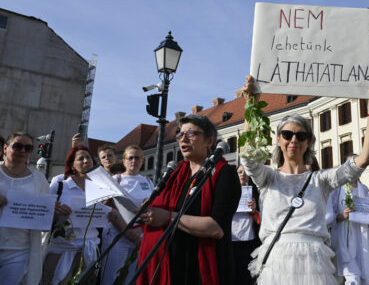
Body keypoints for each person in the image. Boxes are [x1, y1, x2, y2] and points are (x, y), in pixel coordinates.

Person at [239, 75, 369, 285]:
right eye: (287, 134)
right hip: (277, 261)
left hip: (314, 262)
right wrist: (251, 103)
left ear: (308, 142)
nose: (293, 140)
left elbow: (364, 160)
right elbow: (248, 156)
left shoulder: (321, 180)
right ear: (278, 140)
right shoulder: (268, 176)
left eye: (300, 135)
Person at [137, 114, 240, 285]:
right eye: (180, 134)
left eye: (191, 134)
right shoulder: (176, 175)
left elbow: (216, 228)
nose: (183, 138)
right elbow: (161, 210)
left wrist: (168, 217)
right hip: (171, 264)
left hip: (201, 267)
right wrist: (149, 212)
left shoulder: (224, 173)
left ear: (209, 141)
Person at [42, 145, 100, 285]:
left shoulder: (100, 187)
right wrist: (55, 210)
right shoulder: (60, 185)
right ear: (72, 165)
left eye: (89, 158)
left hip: (89, 251)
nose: (86, 161)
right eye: (81, 159)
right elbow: (44, 213)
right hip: (61, 249)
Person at [0, 132, 49, 285]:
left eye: (28, 148)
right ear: (5, 148)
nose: (23, 151)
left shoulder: (38, 178)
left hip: (19, 250)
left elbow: (45, 213)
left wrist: (54, 212)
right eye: (18, 146)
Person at [101, 145, 154, 285]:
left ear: (142, 161)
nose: (134, 161)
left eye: (137, 158)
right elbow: (107, 210)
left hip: (140, 236)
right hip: (117, 235)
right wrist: (130, 234)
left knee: (131, 278)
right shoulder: (115, 180)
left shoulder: (148, 182)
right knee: (111, 278)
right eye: (130, 158)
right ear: (124, 161)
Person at [326, 158, 369, 285]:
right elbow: (331, 215)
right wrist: (342, 216)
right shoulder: (338, 189)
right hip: (345, 238)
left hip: (362, 238)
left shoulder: (364, 189)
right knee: (353, 278)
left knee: (363, 277)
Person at [231, 164, 261, 285]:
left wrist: (254, 211)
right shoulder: (228, 192)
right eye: (239, 172)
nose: (243, 174)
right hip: (231, 240)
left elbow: (261, 220)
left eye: (245, 172)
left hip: (249, 240)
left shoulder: (256, 194)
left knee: (246, 277)